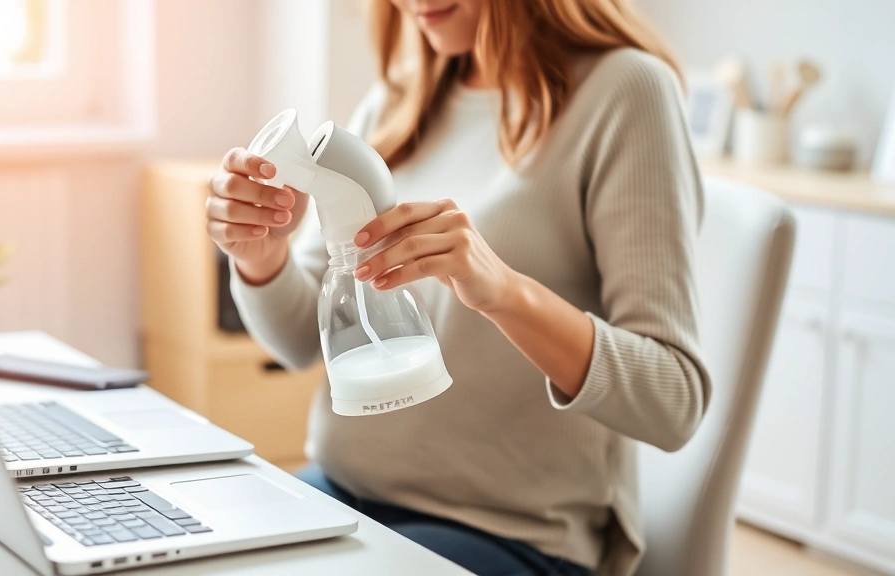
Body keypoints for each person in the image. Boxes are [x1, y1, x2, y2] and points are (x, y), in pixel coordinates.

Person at [206, 1, 710, 574]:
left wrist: (502, 291)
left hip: (511, 534)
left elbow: (674, 401)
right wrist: (259, 257)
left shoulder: (625, 92)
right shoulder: (399, 101)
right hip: (341, 493)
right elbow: (300, 340)